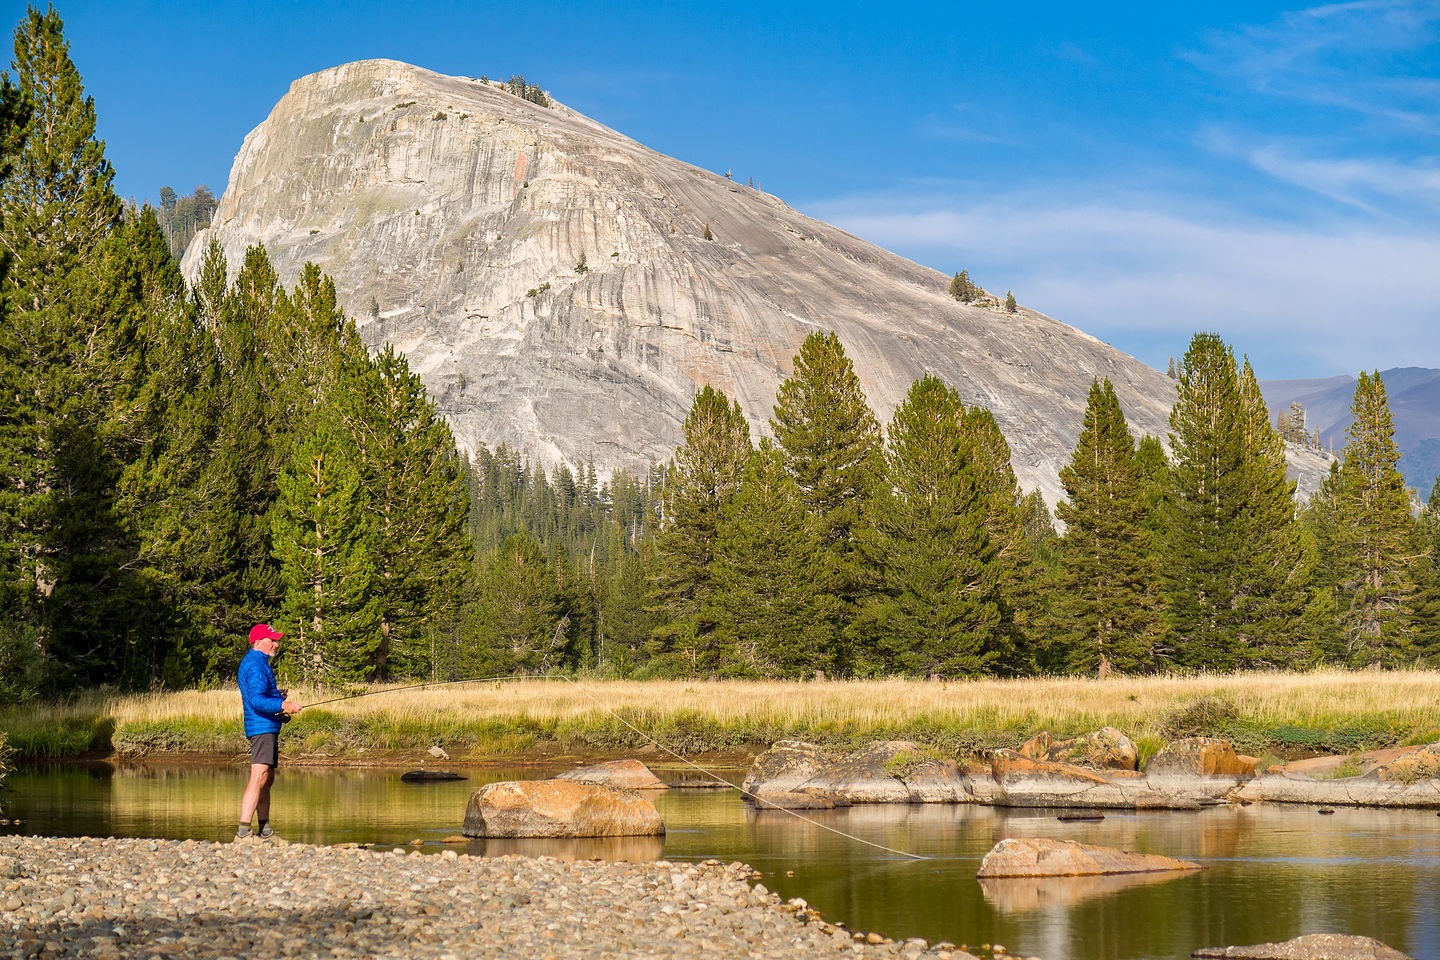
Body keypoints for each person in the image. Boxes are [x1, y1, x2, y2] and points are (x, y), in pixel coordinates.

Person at [236, 623, 300, 839]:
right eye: (272, 640)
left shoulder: (259, 663)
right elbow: (255, 700)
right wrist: (284, 705)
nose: (276, 644)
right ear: (259, 642)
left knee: (267, 778)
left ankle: (265, 831)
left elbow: (261, 695)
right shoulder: (255, 665)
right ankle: (243, 832)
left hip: (267, 726)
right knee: (258, 776)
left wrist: (276, 697)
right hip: (261, 727)